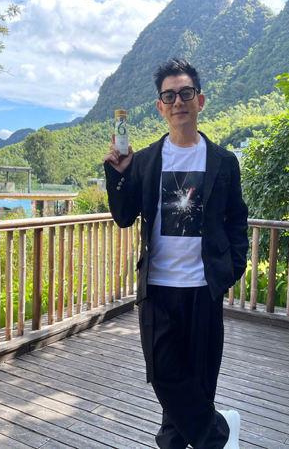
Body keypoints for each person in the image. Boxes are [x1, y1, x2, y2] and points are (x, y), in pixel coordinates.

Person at [103, 58, 248, 449]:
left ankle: (172, 443)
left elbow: (237, 218)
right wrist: (118, 174)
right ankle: (219, 434)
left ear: (200, 100)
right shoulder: (146, 161)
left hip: (203, 285)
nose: (178, 101)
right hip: (158, 286)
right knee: (163, 372)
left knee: (199, 378)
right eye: (169, 96)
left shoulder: (223, 161)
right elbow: (123, 216)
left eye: (185, 93)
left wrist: (232, 267)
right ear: (160, 107)